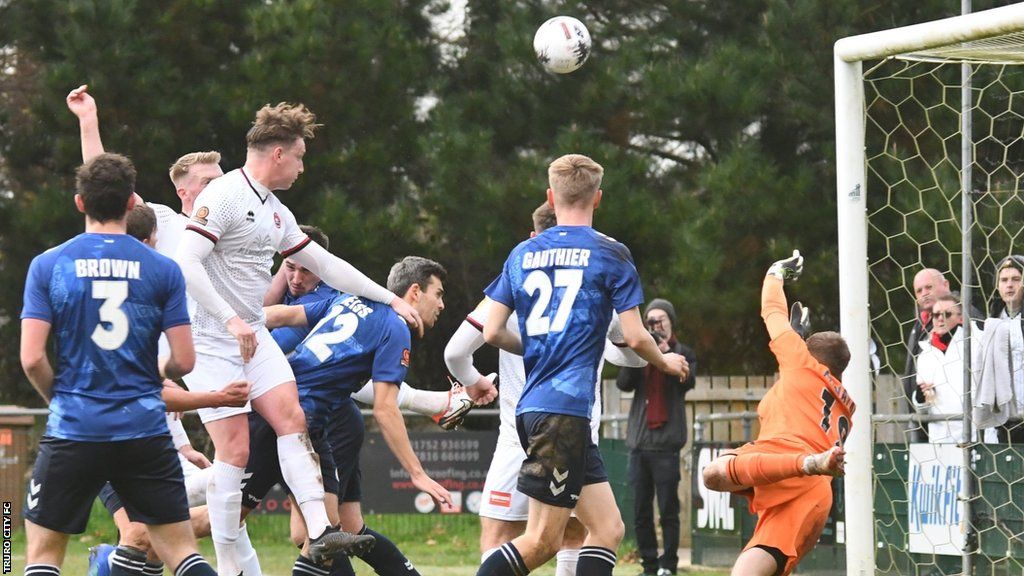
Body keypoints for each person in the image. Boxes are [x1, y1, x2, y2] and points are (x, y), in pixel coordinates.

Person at [173, 102, 427, 573]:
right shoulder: (224, 195)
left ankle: (321, 531)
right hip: (212, 337)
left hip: (252, 334)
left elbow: (327, 266)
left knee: (292, 417)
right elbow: (185, 264)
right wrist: (231, 320)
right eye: (300, 156)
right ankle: (230, 562)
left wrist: (388, 299)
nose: (303, 166)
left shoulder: (275, 211)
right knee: (235, 449)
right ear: (276, 154)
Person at [476, 154, 688, 576]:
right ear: (599, 199)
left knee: (608, 528)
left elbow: (492, 332)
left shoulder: (521, 254)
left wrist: (541, 347)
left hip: (540, 408)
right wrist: (664, 361)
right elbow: (633, 335)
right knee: (542, 541)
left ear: (550, 199)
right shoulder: (611, 253)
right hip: (563, 414)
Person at [19, 153, 217, 576]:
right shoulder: (163, 269)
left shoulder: (49, 265)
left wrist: (61, 399)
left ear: (79, 203)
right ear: (132, 204)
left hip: (74, 425)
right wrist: (147, 379)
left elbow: (32, 357)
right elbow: (184, 359)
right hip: (142, 429)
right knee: (182, 551)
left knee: (41, 555)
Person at [444, 201, 646, 576]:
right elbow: (631, 354)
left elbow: (456, 351)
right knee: (569, 535)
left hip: (518, 428)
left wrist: (474, 384)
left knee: (505, 533)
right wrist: (653, 353)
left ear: (535, 236)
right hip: (575, 421)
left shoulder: (519, 270)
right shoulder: (597, 276)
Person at [239, 256, 456, 576]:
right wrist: (417, 473)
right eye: (438, 294)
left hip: (303, 421)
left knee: (325, 535)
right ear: (414, 292)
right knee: (223, 519)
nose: (441, 304)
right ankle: (151, 531)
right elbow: (384, 408)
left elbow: (281, 314)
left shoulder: (350, 299)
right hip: (292, 421)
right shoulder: (396, 328)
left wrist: (237, 325)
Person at [89, 204, 259, 576]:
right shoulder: (153, 287)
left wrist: (182, 443)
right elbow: (153, 386)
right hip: (101, 437)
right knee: (141, 536)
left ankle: (106, 562)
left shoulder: (96, 275)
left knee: (161, 541)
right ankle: (104, 563)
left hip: (119, 436)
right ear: (152, 240)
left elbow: (153, 386)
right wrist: (213, 397)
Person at [701, 251, 852, 576]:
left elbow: (771, 309)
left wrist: (776, 272)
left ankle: (809, 463)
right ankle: (809, 463)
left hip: (793, 462)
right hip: (814, 496)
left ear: (807, 352)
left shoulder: (800, 362)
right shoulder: (844, 406)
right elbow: (787, 397)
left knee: (713, 472)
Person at [266, 224, 476, 429]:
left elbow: (267, 345)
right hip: (297, 396)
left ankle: (435, 404)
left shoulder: (327, 297)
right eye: (290, 268)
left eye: (306, 270)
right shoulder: (303, 286)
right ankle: (435, 403)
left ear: (322, 270)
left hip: (295, 399)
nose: (296, 279)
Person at [614, 298, 697, 576]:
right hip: (639, 443)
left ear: (671, 322)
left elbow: (688, 381)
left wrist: (664, 354)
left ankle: (669, 566)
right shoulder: (639, 355)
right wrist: (643, 352)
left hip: (667, 445)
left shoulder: (683, 352)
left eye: (660, 320)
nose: (656, 325)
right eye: (649, 321)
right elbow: (624, 384)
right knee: (640, 512)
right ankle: (649, 566)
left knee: (668, 510)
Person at [915, 294, 997, 444]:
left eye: (947, 314)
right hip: (940, 442)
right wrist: (920, 398)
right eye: (936, 314)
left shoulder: (977, 344)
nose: (940, 318)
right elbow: (921, 411)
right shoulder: (925, 355)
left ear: (960, 318)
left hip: (976, 438)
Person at [988, 255, 1024, 442]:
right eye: (1004, 280)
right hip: (1001, 420)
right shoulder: (990, 322)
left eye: (1016, 279)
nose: (1009, 285)